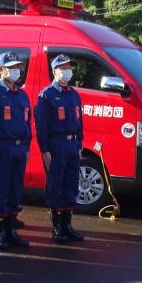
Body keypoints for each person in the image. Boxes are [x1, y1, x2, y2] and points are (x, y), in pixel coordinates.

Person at [0, 52, 33, 249]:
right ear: (0, 70)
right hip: (0, 148)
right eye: (10, 67)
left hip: (19, 148)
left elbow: (28, 123)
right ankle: (1, 231)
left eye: (17, 66)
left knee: (15, 189)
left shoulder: (22, 94)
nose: (15, 71)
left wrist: (26, 147)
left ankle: (12, 230)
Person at [34, 54, 86, 243]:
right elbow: (41, 126)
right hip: (56, 145)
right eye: (63, 68)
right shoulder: (47, 95)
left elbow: (79, 121)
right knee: (56, 185)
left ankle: (67, 224)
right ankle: (56, 227)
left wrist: (80, 143)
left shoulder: (74, 94)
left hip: (72, 144)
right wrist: (45, 150)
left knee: (71, 184)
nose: (67, 71)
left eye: (69, 67)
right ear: (54, 71)